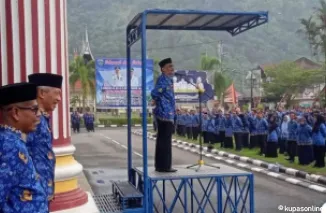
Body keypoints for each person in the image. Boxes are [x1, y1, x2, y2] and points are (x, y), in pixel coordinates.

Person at [0, 83, 48, 213]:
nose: (39, 114)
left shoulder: (11, 140)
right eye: (34, 109)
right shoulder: (9, 146)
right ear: (15, 112)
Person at [27, 73, 63, 203]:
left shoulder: (42, 119)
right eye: (57, 93)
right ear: (42, 93)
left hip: (42, 193)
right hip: (33, 195)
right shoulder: (31, 120)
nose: (59, 99)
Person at [151, 58, 177, 173]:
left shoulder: (169, 80)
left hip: (169, 114)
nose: (172, 68)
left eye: (172, 66)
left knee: (165, 141)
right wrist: (158, 100)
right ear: (163, 69)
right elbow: (154, 93)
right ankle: (163, 166)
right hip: (163, 114)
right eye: (169, 67)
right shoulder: (162, 80)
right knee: (164, 142)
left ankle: (163, 165)